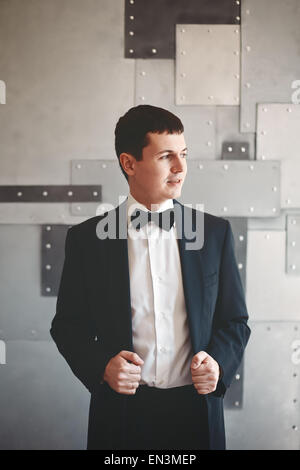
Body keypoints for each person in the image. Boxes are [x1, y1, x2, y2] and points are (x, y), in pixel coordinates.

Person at [50, 105, 251, 450]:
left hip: (197, 415)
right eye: (166, 157)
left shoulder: (215, 233)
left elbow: (235, 321)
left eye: (184, 155)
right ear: (129, 163)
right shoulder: (87, 240)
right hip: (122, 417)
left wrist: (218, 362)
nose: (180, 168)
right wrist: (102, 367)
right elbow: (68, 326)